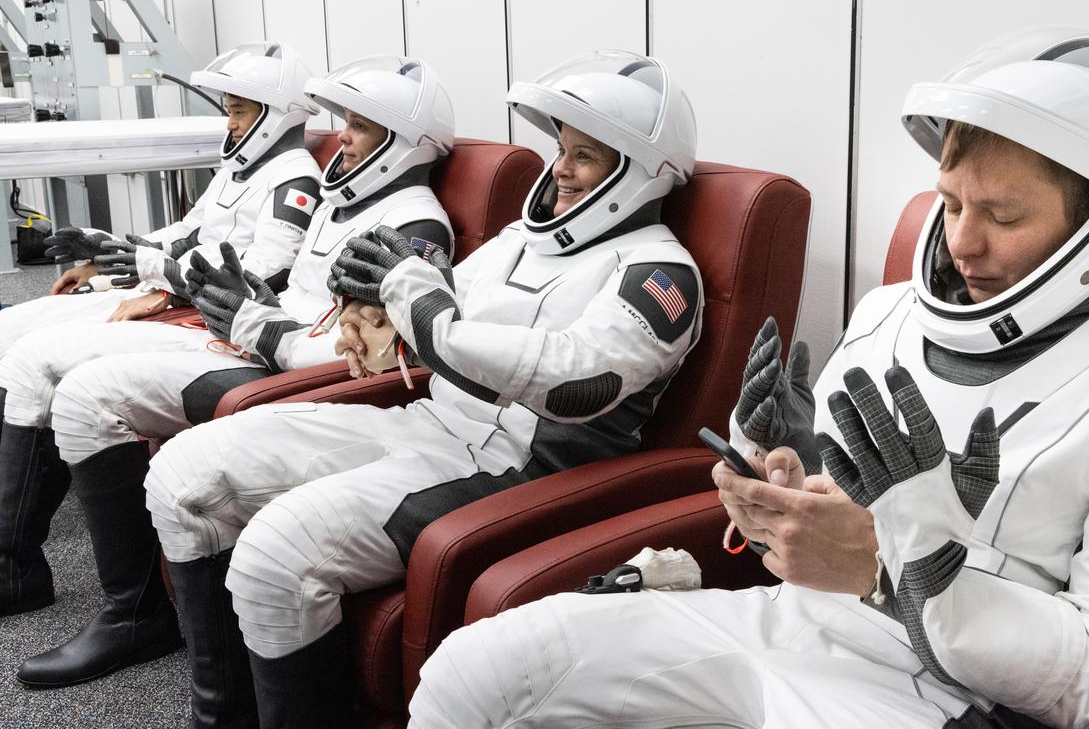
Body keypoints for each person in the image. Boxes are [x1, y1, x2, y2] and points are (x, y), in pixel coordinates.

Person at [409, 29, 1089, 729]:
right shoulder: (891, 312)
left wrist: (900, 573)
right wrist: (783, 466)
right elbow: (846, 509)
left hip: (949, 702)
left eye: (1002, 216)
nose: (962, 241)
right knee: (476, 671)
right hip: (794, 626)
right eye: (953, 203)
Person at [143, 51, 705, 727]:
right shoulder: (517, 240)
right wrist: (381, 300)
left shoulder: (662, 275)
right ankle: (221, 714)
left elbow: (575, 380)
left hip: (514, 467)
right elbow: (431, 311)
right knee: (182, 471)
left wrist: (419, 301)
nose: (559, 170)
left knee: (275, 554)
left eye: (584, 157)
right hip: (427, 422)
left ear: (639, 175)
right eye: (561, 149)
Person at [8, 57, 456, 696]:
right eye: (347, 123)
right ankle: (130, 611)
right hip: (245, 341)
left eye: (359, 127)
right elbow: (269, 282)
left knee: (79, 390)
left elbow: (368, 354)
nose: (342, 140)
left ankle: (127, 613)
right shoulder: (344, 199)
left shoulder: (413, 225)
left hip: (272, 364)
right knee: (65, 382)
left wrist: (260, 327)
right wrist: (229, 302)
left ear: (402, 146)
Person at [0, 41, 321, 622]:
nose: (230, 120)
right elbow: (186, 231)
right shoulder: (242, 169)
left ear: (276, 115)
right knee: (10, 334)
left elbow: (264, 272)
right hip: (171, 294)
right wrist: (109, 250)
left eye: (241, 109)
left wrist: (155, 274)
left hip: (197, 313)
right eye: (228, 107)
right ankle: (11, 548)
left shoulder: (295, 178)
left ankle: (16, 563)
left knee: (35, 358)